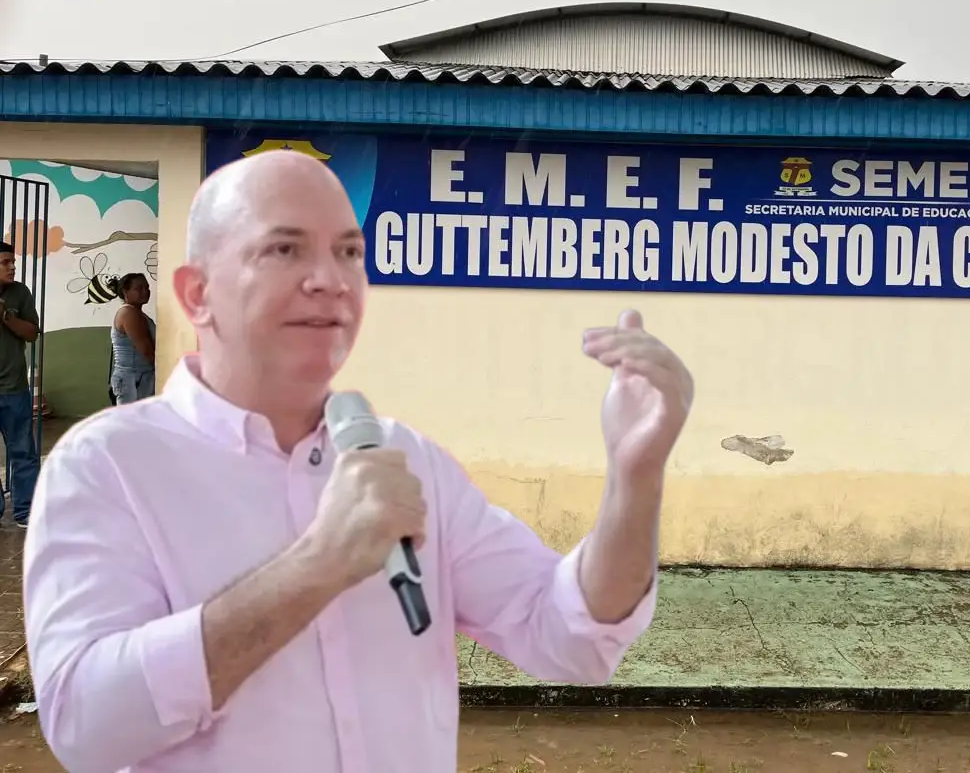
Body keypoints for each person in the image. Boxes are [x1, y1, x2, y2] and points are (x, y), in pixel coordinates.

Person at [22, 150, 693, 773]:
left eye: (349, 252)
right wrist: (317, 566)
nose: (330, 280)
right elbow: (85, 722)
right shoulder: (108, 466)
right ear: (197, 293)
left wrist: (634, 477)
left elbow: (569, 633)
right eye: (285, 249)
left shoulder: (406, 461)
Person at [0, 240, 41, 530]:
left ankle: (26, 511)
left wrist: (5, 316)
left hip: (14, 389)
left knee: (23, 452)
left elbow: (31, 333)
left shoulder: (20, 292)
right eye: (5, 262)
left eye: (12, 261)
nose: (12, 267)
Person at [109, 272, 156, 404]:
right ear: (125, 291)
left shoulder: (137, 313)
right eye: (139, 288)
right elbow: (147, 351)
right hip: (133, 379)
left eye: (147, 288)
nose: (145, 291)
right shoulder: (128, 313)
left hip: (138, 377)